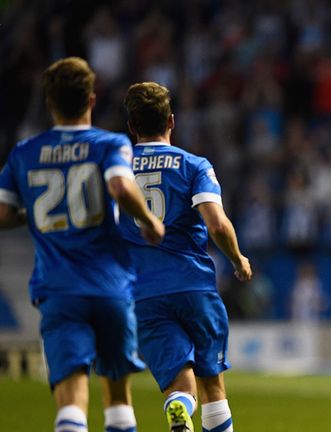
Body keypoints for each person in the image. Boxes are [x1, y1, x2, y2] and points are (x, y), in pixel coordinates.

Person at [0, 57, 165, 432]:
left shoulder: (25, 151)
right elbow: (121, 187)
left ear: (48, 103)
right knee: (118, 396)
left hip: (58, 290)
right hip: (110, 287)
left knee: (72, 398)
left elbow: (2, 212)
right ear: (91, 99)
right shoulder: (110, 144)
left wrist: (31, 215)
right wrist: (150, 221)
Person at [120, 82, 252, 432]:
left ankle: (179, 406)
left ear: (132, 126)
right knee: (213, 384)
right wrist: (238, 259)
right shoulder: (194, 165)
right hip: (193, 287)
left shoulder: (115, 172)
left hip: (142, 293)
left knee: (180, 384)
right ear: (172, 121)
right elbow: (216, 223)